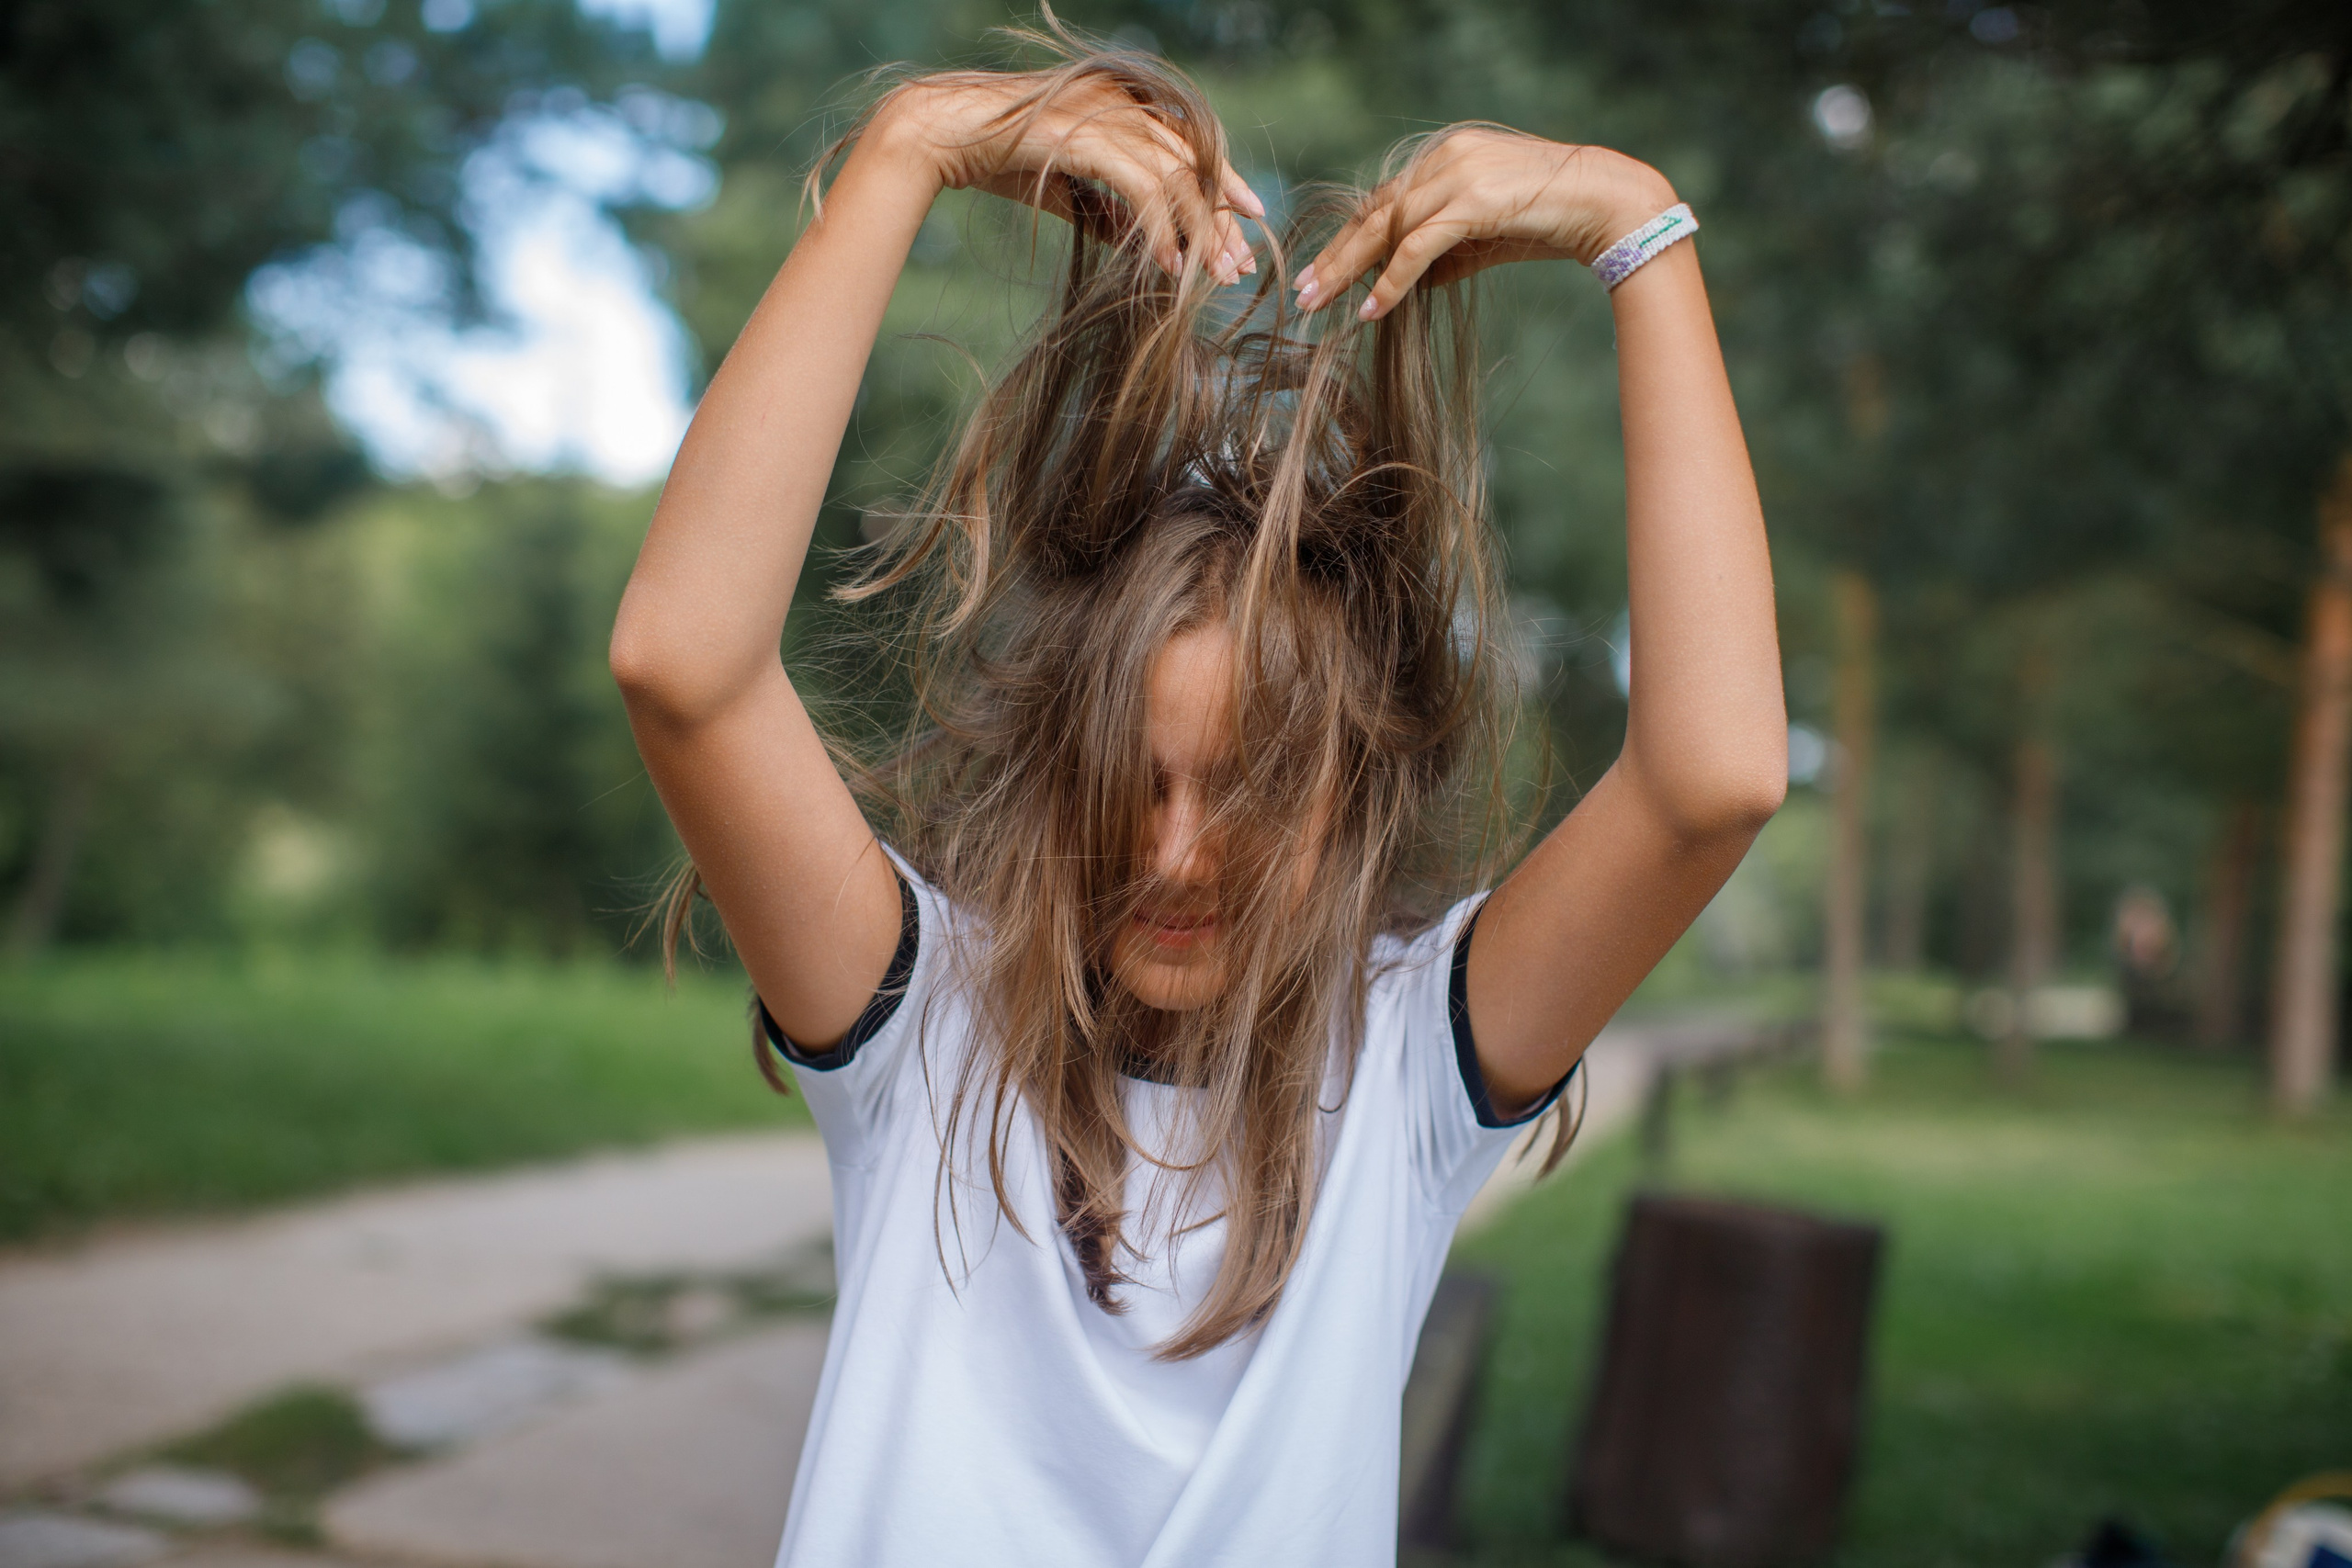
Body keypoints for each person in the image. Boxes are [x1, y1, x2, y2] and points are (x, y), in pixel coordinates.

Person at [609, 30, 1784, 1568]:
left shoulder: (1409, 1066)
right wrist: (909, 147)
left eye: (1252, 794)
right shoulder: (923, 1026)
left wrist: (1637, 223)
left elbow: (1713, 783)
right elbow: (684, 670)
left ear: (1352, 806)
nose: (1174, 854)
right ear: (1058, 772)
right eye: (1134, 782)